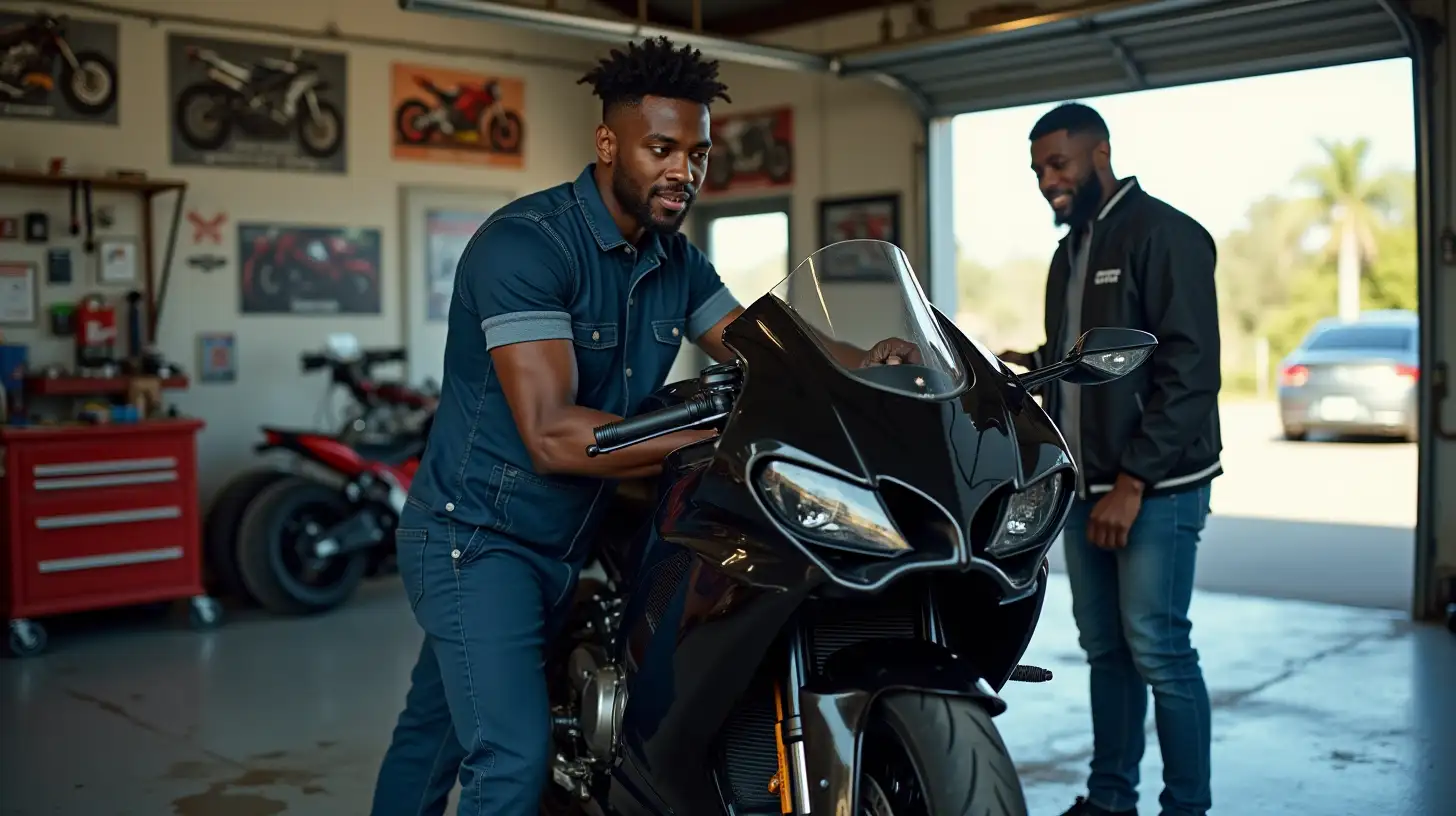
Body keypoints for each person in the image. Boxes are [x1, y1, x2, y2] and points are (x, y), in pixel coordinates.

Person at [369, 36, 914, 816]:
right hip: (475, 541)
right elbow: (553, 432)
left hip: (567, 539)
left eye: (696, 153)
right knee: (512, 757)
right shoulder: (525, 246)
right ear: (606, 143)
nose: (682, 171)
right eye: (661, 148)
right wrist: (716, 440)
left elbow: (763, 343)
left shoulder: (675, 260)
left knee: (434, 733)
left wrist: (864, 360)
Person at [999, 102, 1222, 816]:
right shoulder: (1069, 252)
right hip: (1083, 487)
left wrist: (1133, 482)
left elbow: (1190, 372)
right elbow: (1084, 364)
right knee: (1106, 652)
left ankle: (1186, 807)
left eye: (1057, 164)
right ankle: (1109, 800)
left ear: (1100, 154)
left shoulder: (1167, 234)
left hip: (1153, 488)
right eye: (1037, 169)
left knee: (1158, 649)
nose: (1046, 181)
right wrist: (1018, 367)